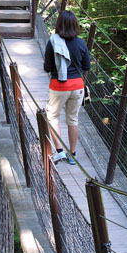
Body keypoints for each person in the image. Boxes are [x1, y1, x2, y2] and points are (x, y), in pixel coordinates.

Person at [44, 10, 91, 165]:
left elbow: (47, 67)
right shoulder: (81, 43)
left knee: (52, 116)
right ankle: (73, 153)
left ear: (59, 24)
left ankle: (60, 151)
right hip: (78, 86)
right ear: (74, 25)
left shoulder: (53, 42)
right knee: (73, 119)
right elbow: (86, 66)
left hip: (59, 85)